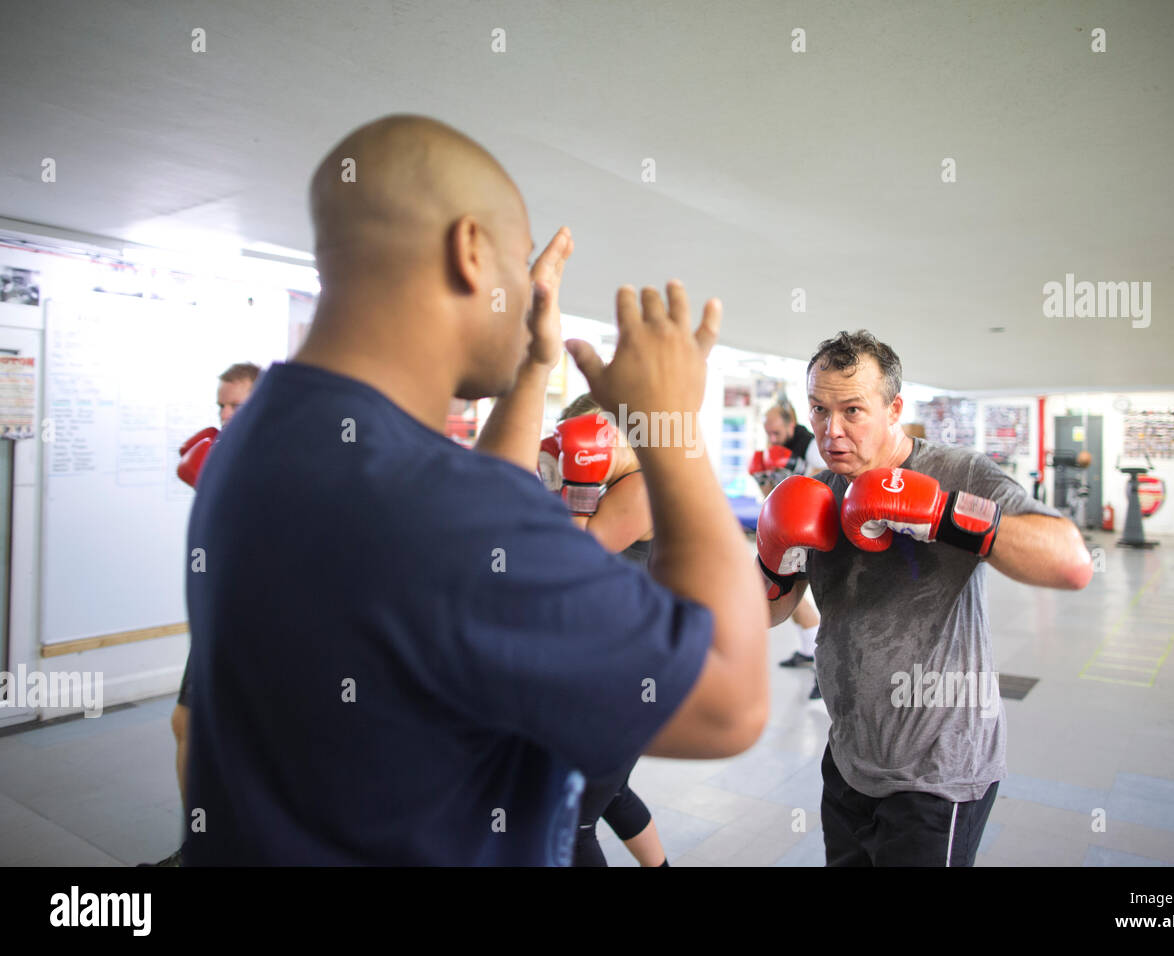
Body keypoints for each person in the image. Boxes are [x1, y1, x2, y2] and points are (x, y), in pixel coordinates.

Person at [181, 115, 768, 865]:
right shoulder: (435, 508)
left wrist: (532, 364)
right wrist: (670, 431)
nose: (527, 290)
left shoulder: (264, 432)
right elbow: (732, 701)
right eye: (518, 263)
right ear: (468, 251)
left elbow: (465, 524)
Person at [759, 330, 1092, 867]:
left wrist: (946, 515)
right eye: (819, 409)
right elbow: (768, 613)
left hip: (938, 772)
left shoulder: (958, 473)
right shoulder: (818, 490)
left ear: (894, 409)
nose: (831, 430)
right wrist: (773, 559)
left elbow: (1071, 562)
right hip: (849, 758)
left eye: (852, 411)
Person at [146, 362, 261, 868]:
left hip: (263, 619)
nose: (225, 414)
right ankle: (201, 845)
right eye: (221, 405)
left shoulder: (280, 458)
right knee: (186, 723)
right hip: (223, 612)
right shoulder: (223, 456)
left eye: (236, 404)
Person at [550, 395, 667, 867]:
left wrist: (575, 485)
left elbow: (571, 561)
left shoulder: (638, 489)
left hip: (622, 677)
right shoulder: (621, 480)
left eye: (582, 451)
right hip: (616, 661)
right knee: (611, 790)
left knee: (572, 823)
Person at [751, 403, 826, 699]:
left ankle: (824, 668)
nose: (772, 437)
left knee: (823, 603)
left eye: (776, 431)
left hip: (814, 527)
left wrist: (794, 473)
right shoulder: (775, 447)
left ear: (791, 423)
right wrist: (763, 479)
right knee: (784, 595)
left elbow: (824, 484)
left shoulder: (811, 447)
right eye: (768, 432)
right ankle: (810, 652)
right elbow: (770, 496)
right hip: (782, 527)